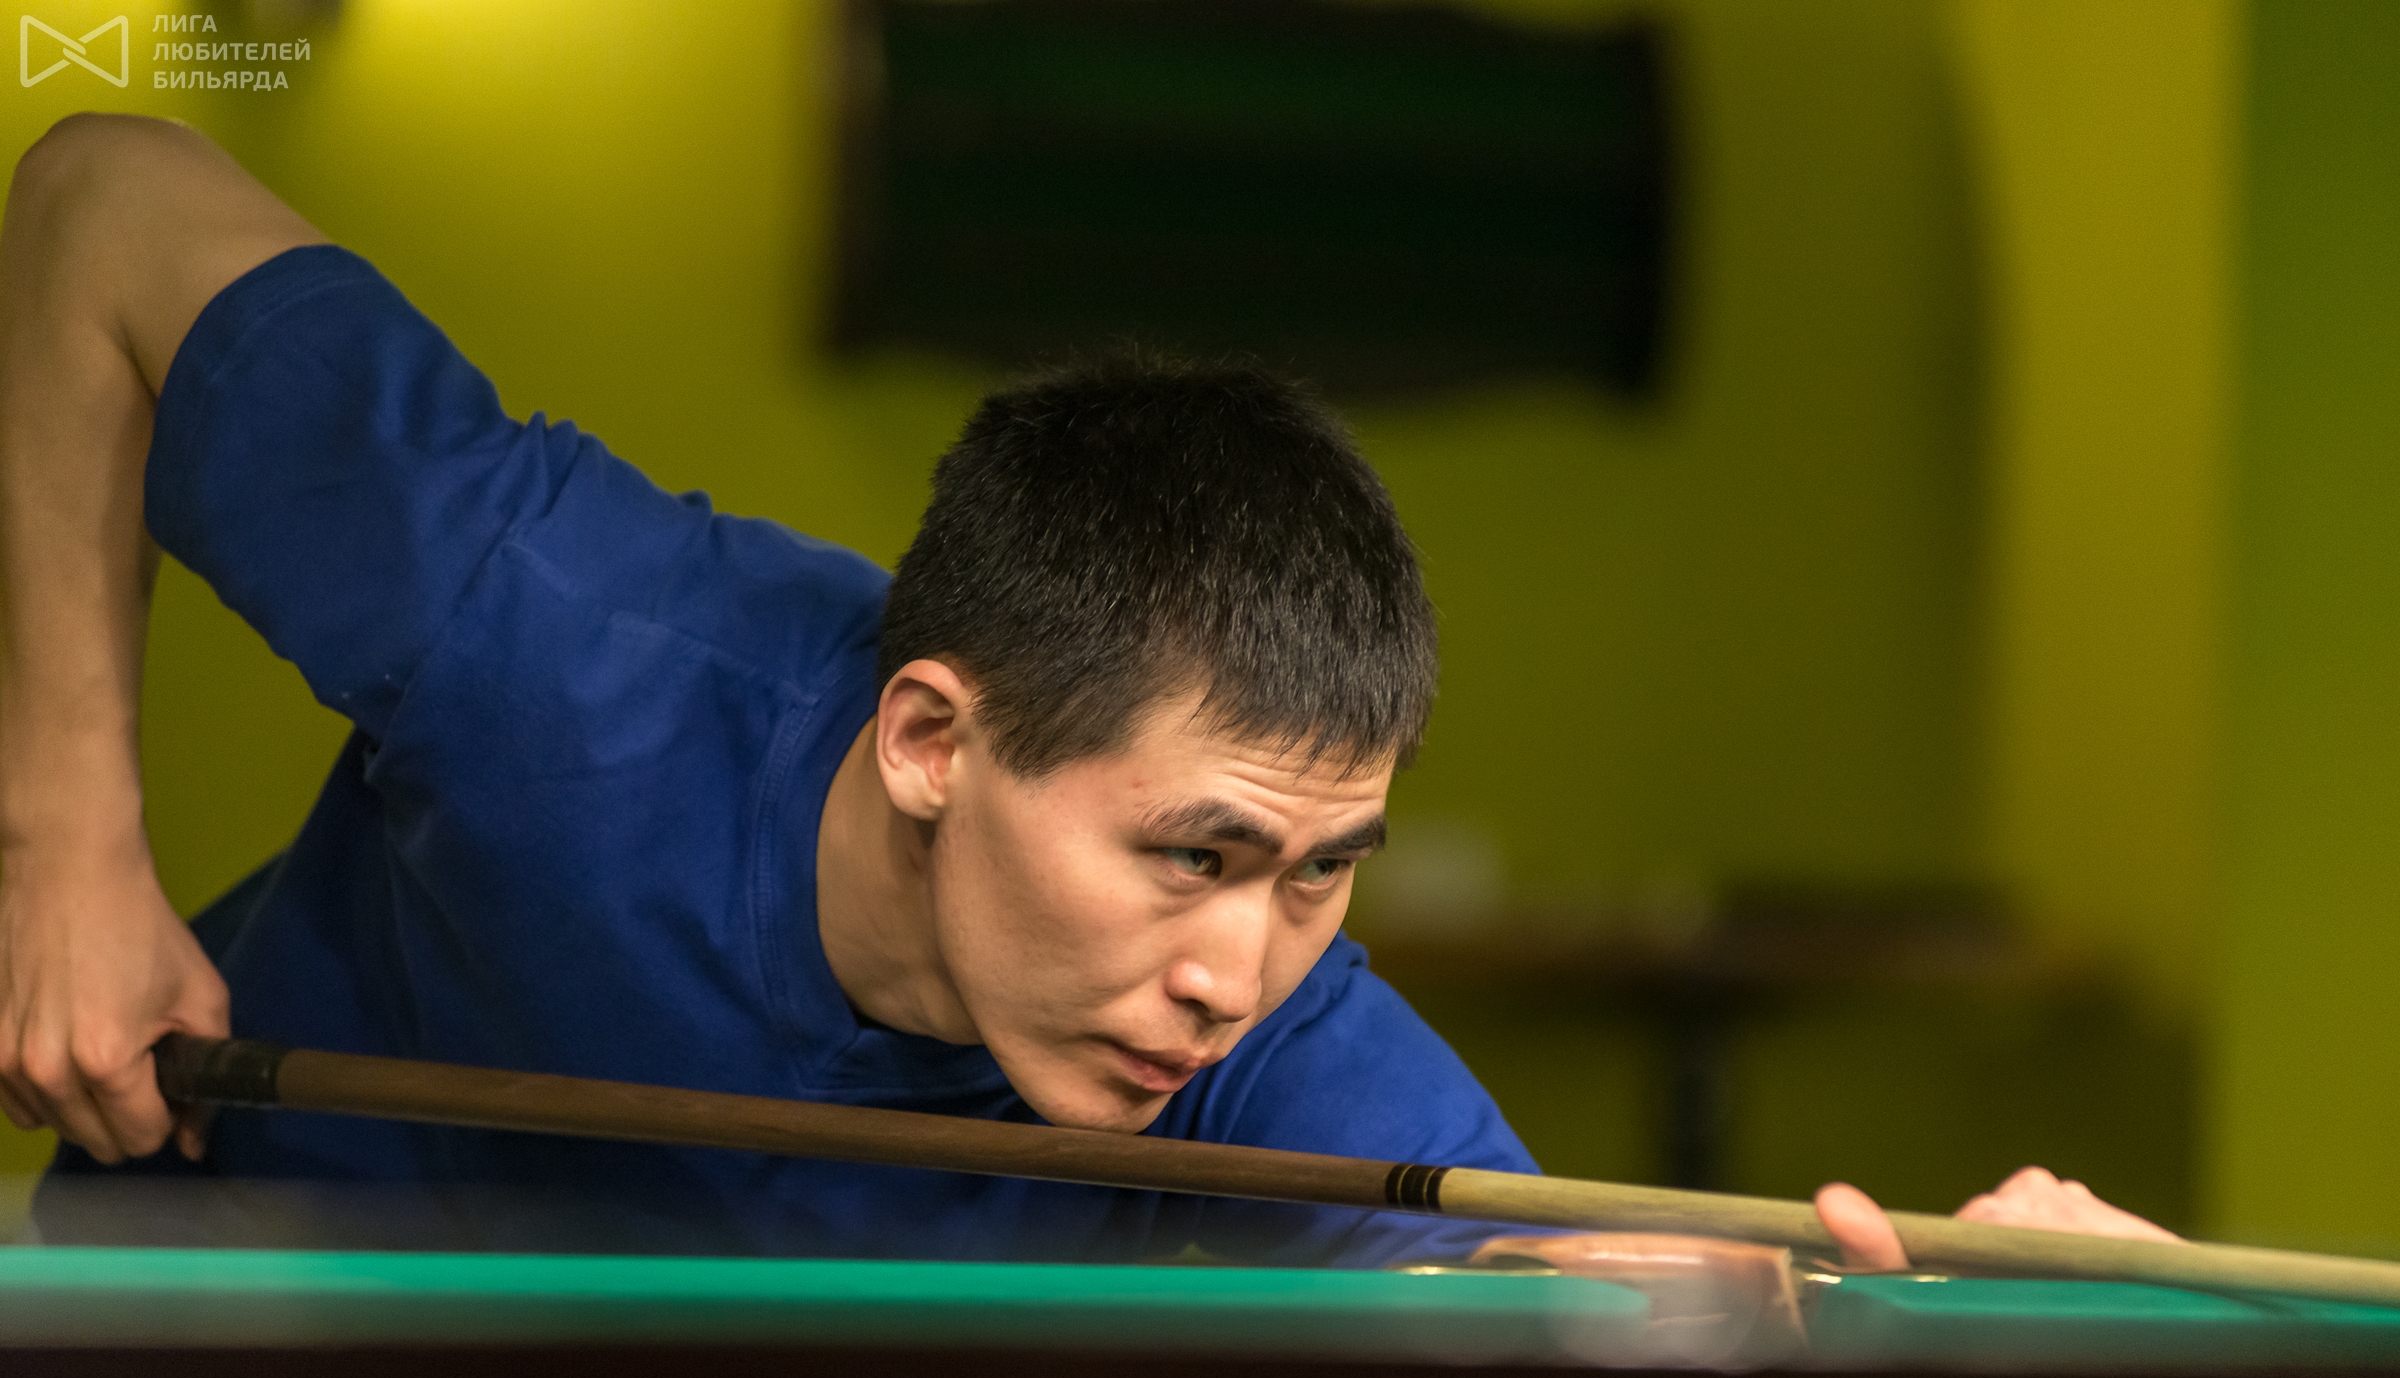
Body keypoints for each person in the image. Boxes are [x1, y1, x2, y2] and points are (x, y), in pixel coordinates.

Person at [0, 114, 2168, 1267]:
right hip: (228, 1301)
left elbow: (1560, 1303)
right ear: (933, 741)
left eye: (1318, 871)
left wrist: (1945, 1312)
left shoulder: (1260, 1021)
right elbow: (104, 202)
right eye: (1190, 856)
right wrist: (68, 849)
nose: (1235, 970)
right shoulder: (555, 626)